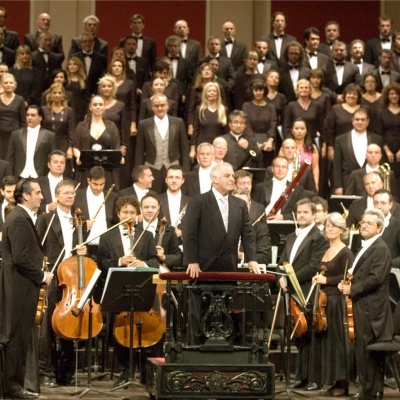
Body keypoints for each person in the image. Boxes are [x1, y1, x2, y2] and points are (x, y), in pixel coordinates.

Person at [183, 162, 260, 344]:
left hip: (228, 270)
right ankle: (198, 354)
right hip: (202, 269)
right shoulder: (198, 202)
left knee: (226, 317)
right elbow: (189, 233)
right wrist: (192, 260)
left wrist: (252, 259)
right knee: (201, 315)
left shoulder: (240, 204)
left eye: (232, 176)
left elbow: (248, 234)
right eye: (227, 176)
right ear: (214, 179)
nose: (232, 179)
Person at [0, 177, 53, 398]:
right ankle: (12, 387)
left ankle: (15, 385)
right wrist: (42, 275)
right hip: (20, 288)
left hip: (21, 287)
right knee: (16, 337)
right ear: (26, 195)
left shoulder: (20, 216)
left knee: (19, 337)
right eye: (38, 193)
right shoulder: (19, 219)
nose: (42, 197)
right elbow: (21, 258)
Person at [97, 195, 159, 386]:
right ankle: (125, 369)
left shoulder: (147, 235)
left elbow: (155, 261)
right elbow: (101, 262)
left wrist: (144, 263)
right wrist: (119, 262)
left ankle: (145, 371)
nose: (129, 215)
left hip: (141, 287)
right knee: (121, 328)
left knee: (145, 328)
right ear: (118, 214)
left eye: (132, 212)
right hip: (119, 288)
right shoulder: (108, 236)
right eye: (125, 212)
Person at [36, 179, 87, 387]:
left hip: (71, 279)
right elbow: (37, 248)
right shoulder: (45, 219)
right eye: (65, 193)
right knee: (47, 326)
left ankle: (66, 371)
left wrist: (83, 251)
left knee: (68, 323)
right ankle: (44, 371)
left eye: (71, 193)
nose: (69, 196)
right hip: (52, 277)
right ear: (56, 197)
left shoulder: (79, 222)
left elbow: (80, 251)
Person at [338, 209, 392, 400]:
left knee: (367, 352)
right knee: (361, 351)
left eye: (370, 223)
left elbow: (375, 278)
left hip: (372, 309)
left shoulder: (380, 248)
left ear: (379, 228)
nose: (364, 225)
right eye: (363, 222)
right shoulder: (366, 246)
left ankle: (369, 392)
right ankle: (367, 390)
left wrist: (351, 290)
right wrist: (346, 282)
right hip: (362, 305)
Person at [278, 198, 329, 390]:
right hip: (291, 291)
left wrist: (290, 279)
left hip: (308, 290)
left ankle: (314, 378)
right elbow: (282, 261)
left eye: (305, 212)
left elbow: (313, 265)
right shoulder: (291, 237)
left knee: (311, 335)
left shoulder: (319, 237)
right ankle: (301, 376)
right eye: (299, 212)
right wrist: (281, 278)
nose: (301, 215)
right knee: (298, 335)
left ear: (314, 215)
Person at [309, 212, 354, 395]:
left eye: (334, 226)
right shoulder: (325, 250)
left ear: (342, 229)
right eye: (327, 226)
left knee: (337, 342)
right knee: (325, 341)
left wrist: (326, 281)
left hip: (336, 302)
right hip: (323, 301)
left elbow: (348, 278)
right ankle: (330, 380)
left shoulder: (346, 252)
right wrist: (317, 278)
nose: (330, 229)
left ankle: (342, 383)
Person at [135, 93, 190, 193]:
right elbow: (139, 150)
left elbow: (184, 148)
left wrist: (185, 171)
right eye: (156, 106)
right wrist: (139, 173)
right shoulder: (144, 124)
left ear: (167, 106)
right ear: (152, 107)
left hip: (173, 167)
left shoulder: (178, 122)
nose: (160, 108)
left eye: (162, 105)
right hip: (152, 168)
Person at [73, 95, 122, 189]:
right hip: (86, 168)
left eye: (100, 104)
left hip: (107, 170)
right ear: (90, 107)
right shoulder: (81, 126)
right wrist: (79, 156)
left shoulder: (112, 126)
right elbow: (76, 146)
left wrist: (119, 156)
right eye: (95, 104)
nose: (98, 107)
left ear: (104, 107)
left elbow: (116, 146)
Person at [333, 108, 382, 194]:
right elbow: (337, 165)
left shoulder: (377, 139)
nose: (360, 122)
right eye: (357, 119)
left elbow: (380, 162)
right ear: (352, 121)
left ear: (368, 122)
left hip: (372, 184)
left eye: (363, 120)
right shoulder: (340, 139)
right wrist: (338, 186)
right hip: (347, 184)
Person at [74, 166, 118, 256]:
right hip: (85, 247)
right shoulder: (77, 196)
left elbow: (115, 222)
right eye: (95, 184)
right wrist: (84, 224)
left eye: (102, 184)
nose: (99, 188)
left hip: (107, 247)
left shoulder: (112, 197)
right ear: (88, 181)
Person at [6, 105, 55, 178]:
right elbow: (10, 158)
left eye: (33, 115)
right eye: (27, 115)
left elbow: (53, 158)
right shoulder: (15, 134)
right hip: (19, 176)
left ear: (40, 118)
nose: (29, 118)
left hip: (40, 177)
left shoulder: (50, 136)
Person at [253, 156, 305, 220]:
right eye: (277, 166)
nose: (280, 169)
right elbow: (253, 209)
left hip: (286, 226)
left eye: (283, 167)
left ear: (287, 170)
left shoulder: (297, 189)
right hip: (263, 224)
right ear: (272, 169)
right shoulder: (260, 187)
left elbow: (301, 212)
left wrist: (283, 217)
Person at [138, 193, 182, 269]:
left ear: (159, 208)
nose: (150, 210)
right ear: (141, 208)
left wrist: (163, 257)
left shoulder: (169, 230)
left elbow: (179, 257)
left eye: (153, 207)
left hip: (161, 276)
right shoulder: (134, 229)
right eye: (146, 207)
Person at [242, 79, 277, 167]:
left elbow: (273, 124)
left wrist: (270, 140)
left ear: (264, 91)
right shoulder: (246, 106)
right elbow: (247, 125)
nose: (258, 93)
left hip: (268, 143)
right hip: (251, 141)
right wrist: (254, 143)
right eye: (256, 90)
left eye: (260, 90)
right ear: (252, 91)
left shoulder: (271, 107)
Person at [190, 81, 228, 160]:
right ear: (205, 93)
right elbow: (196, 130)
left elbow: (226, 132)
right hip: (203, 147)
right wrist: (193, 149)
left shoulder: (224, 110)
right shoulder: (199, 110)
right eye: (209, 91)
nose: (212, 93)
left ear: (218, 94)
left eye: (214, 91)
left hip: (218, 148)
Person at [232, 188, 271, 265]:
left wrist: (241, 256)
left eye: (244, 204)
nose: (240, 208)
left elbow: (265, 257)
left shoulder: (260, 228)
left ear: (250, 205)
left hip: (248, 274)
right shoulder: (222, 226)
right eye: (236, 204)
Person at [282, 78, 325, 146]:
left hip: (313, 141)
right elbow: (286, 127)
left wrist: (324, 144)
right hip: (294, 142)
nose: (304, 90)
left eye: (306, 88)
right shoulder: (291, 105)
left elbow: (322, 127)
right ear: (297, 90)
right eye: (301, 88)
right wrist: (289, 142)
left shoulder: (317, 105)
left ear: (310, 90)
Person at [41, 82, 76, 164]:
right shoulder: (43, 109)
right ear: (50, 94)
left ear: (63, 95)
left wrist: (70, 147)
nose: (57, 95)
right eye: (54, 92)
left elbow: (71, 131)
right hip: (46, 143)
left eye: (59, 93)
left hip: (63, 144)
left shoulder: (69, 110)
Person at [326, 83, 362, 160]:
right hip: (340, 146)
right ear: (344, 95)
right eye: (349, 93)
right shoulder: (335, 109)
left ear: (358, 96)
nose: (351, 96)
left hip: (361, 145)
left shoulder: (364, 109)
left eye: (354, 94)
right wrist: (330, 148)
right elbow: (330, 130)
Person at [376, 83, 400, 191]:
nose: (394, 96)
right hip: (386, 149)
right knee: (388, 178)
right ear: (387, 95)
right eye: (391, 94)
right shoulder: (381, 112)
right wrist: (387, 151)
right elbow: (380, 133)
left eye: (396, 94)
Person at [286, 118, 319, 191]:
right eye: (296, 128)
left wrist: (316, 183)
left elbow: (315, 167)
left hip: (307, 181)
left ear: (306, 131)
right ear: (292, 130)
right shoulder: (285, 146)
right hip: (288, 181)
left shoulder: (312, 148)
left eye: (302, 128)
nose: (299, 131)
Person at [159, 165, 189, 243]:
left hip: (184, 246)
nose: (174, 180)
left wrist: (182, 232)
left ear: (183, 180)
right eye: (171, 177)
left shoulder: (191, 202)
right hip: (162, 245)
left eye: (177, 177)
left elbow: (196, 226)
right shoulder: (157, 200)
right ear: (166, 180)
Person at [0, 72, 26, 160]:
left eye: (11, 83)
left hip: (15, 136)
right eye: (6, 83)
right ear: (1, 84)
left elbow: (23, 120)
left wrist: (22, 136)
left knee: (12, 159)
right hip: (0, 136)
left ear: (14, 84)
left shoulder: (20, 99)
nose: (8, 85)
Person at [373, 189, 400, 268]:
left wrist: (385, 265)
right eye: (376, 203)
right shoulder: (366, 224)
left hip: (390, 273)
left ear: (390, 205)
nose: (379, 206)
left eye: (383, 203)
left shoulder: (398, 225)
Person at [65, 56, 90, 123]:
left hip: (80, 110)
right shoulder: (65, 79)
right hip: (67, 107)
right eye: (70, 64)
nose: (72, 66)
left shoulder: (84, 80)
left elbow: (87, 98)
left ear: (79, 66)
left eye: (74, 64)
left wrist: (87, 113)